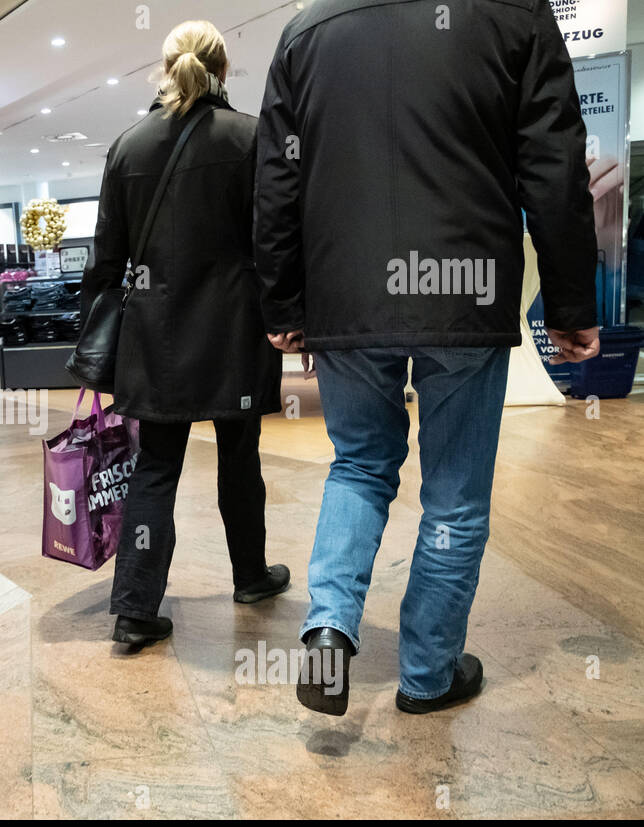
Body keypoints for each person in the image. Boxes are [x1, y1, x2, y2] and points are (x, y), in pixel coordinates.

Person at [254, 0, 600, 715]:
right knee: (455, 494)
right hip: (463, 295)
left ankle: (328, 628)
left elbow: (276, 183)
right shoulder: (514, 13)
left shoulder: (306, 31)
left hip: (347, 297)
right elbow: (554, 163)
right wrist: (569, 304)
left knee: (359, 464)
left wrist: (285, 306)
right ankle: (427, 673)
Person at [86, 20, 289, 650]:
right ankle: (251, 576)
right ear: (223, 71)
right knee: (240, 455)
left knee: (156, 466)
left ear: (164, 67)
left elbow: (104, 261)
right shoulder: (253, 138)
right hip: (235, 332)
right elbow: (273, 240)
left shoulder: (127, 147)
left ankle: (135, 608)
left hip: (155, 338)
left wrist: (101, 333)